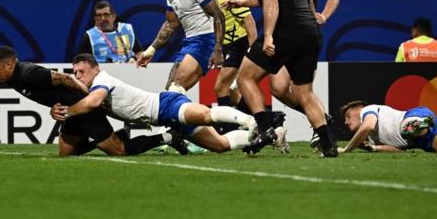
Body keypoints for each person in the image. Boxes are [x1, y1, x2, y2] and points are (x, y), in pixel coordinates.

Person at [0, 46, 183, 157]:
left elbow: (62, 78)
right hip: (66, 109)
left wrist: (84, 91)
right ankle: (117, 135)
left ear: (9, 65)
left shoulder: (28, 73)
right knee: (67, 154)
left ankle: (168, 136)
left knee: (120, 151)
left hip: (80, 107)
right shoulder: (7, 73)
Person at [50, 54, 290, 154]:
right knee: (219, 146)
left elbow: (93, 102)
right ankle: (273, 134)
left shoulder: (102, 80)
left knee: (206, 115)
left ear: (95, 69)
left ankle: (253, 122)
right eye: (74, 72)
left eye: (81, 71)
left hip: (164, 105)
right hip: (162, 117)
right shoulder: (93, 86)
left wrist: (68, 112)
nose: (77, 75)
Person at [233, 0, 337, 157]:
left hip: (286, 32)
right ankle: (329, 144)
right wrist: (242, 3)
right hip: (311, 32)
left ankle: (265, 129)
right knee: (303, 92)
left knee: (245, 77)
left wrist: (269, 35)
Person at [136, 0, 225, 93]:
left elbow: (218, 16)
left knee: (174, 90)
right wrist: (151, 50)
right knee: (169, 92)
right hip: (189, 42)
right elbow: (171, 23)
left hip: (205, 41)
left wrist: (218, 49)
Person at [194, 0, 257, 109]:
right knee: (233, 94)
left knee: (220, 87)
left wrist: (254, 52)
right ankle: (264, 120)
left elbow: (249, 22)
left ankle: (228, 129)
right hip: (222, 46)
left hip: (238, 45)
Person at [77, 0, 142, 63]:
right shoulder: (90, 36)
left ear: (113, 16)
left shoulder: (126, 29)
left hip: (128, 70)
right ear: (95, 18)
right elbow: (81, 61)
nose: (102, 18)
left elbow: (139, 52)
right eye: (99, 15)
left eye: (106, 15)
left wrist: (134, 59)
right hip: (102, 72)